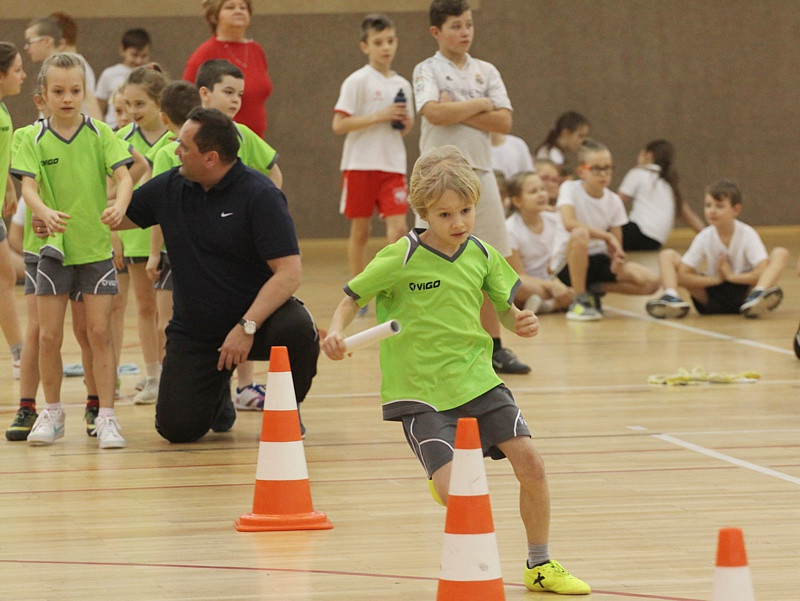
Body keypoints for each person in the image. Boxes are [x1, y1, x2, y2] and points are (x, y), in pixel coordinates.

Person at [322, 145, 590, 596]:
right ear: (423, 210)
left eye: (466, 210)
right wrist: (333, 332)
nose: (459, 223)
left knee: (533, 465)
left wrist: (519, 321)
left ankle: (540, 564)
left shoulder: (482, 253)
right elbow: (352, 298)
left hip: (478, 379)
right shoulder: (400, 256)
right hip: (420, 391)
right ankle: (444, 489)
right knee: (460, 491)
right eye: (446, 215)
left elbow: (506, 310)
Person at [115, 107, 319, 444]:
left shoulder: (260, 195)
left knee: (298, 329)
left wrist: (246, 326)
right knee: (176, 430)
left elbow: (289, 274)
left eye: (183, 146)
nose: (174, 148)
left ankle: (287, 406)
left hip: (258, 321)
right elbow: (121, 217)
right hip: (197, 330)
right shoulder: (172, 185)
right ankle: (217, 396)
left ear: (211, 158)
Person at [11, 53, 134, 449]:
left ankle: (107, 416)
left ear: (84, 92)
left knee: (98, 333)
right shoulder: (28, 137)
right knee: (48, 336)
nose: (68, 98)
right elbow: (28, 186)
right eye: (59, 91)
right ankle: (53, 411)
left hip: (94, 248)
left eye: (75, 91)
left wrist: (120, 205)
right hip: (50, 251)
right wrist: (42, 209)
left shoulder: (101, 133)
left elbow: (124, 175)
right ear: (42, 97)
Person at [413, 0, 530, 374]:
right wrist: (482, 108)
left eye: (468, 25)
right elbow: (433, 112)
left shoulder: (487, 71)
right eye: (455, 26)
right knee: (428, 264)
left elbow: (505, 122)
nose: (464, 32)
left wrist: (463, 105)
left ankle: (494, 346)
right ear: (436, 32)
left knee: (488, 262)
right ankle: (430, 344)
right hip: (436, 176)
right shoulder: (426, 70)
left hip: (480, 174)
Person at [332, 13, 413, 314]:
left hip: (392, 166)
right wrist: (381, 115)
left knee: (398, 229)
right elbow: (339, 124)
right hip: (360, 164)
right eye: (378, 42)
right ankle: (358, 289)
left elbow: (406, 127)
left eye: (390, 41)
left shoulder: (403, 83)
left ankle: (395, 284)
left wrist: (403, 121)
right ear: (365, 46)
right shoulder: (357, 81)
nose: (385, 48)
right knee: (361, 231)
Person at [114, 65, 173, 405]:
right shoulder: (121, 141)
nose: (133, 112)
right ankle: (153, 376)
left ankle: (172, 371)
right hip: (135, 237)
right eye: (128, 104)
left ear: (160, 103)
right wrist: (115, 235)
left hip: (170, 238)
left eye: (141, 105)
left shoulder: (176, 139)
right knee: (145, 306)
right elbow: (108, 192)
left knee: (170, 313)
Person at [646, 179, 788, 319]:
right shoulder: (704, 237)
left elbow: (762, 270)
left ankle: (758, 294)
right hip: (709, 296)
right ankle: (671, 297)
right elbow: (683, 276)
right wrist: (717, 279)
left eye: (719, 206)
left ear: (736, 209)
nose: (712, 211)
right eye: (708, 205)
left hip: (744, 293)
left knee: (781, 253)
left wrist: (732, 277)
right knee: (667, 255)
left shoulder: (747, 234)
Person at [552, 139, 660, 321]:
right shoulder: (569, 189)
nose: (603, 174)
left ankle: (594, 290)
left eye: (607, 168)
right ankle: (579, 299)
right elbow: (569, 223)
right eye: (596, 168)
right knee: (580, 234)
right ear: (581, 170)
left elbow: (616, 242)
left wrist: (617, 257)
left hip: (598, 261)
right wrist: (606, 236)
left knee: (652, 282)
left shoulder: (614, 201)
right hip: (568, 263)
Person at [183, 0, 273, 137]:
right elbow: (186, 98)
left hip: (255, 141)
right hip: (220, 141)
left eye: (243, 7)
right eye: (230, 7)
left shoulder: (256, 50)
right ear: (214, 16)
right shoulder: (206, 52)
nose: (238, 11)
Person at [195, 59, 282, 186]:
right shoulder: (186, 134)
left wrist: (271, 202)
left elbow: (274, 172)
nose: (236, 100)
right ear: (205, 93)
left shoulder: (243, 134)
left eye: (240, 95)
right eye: (229, 92)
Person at [505, 171, 573, 313]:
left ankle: (548, 305)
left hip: (556, 280)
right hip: (532, 284)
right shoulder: (510, 229)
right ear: (517, 200)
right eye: (533, 191)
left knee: (577, 284)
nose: (541, 194)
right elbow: (519, 274)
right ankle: (558, 302)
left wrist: (557, 282)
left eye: (542, 189)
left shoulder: (555, 220)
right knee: (515, 284)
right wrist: (551, 286)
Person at [618, 139, 704, 251]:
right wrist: (711, 237)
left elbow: (615, 203)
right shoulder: (669, 182)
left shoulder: (639, 173)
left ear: (648, 155)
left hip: (638, 233)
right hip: (656, 242)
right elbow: (690, 216)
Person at [0, 42, 25, 383]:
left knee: (5, 278)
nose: (23, 75)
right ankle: (21, 353)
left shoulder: (4, 110)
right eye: (17, 70)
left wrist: (8, 185)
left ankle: (20, 352)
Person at [95, 28, 152, 128]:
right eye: (134, 55)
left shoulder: (151, 75)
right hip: (113, 127)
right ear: (122, 50)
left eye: (144, 56)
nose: (138, 60)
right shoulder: (109, 74)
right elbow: (99, 106)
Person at [535, 111, 589, 178]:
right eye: (580, 136)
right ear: (565, 133)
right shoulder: (552, 155)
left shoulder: (555, 153)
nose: (584, 141)